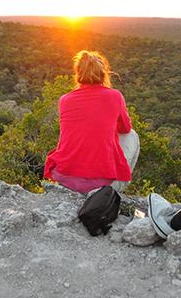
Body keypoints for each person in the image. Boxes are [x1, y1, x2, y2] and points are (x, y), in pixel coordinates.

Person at [44, 51, 140, 193]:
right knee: (131, 135)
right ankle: (111, 195)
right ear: (103, 74)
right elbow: (125, 128)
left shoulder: (64, 100)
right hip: (101, 185)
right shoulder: (115, 96)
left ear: (78, 74)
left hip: (65, 178)